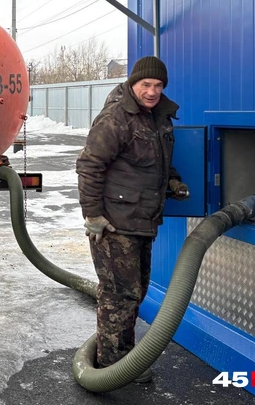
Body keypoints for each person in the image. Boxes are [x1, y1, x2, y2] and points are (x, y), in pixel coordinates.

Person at [76, 55, 188, 383]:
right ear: (133, 84)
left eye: (157, 85)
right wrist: (93, 215)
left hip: (141, 220)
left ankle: (124, 357)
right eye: (146, 85)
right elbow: (89, 166)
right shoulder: (117, 117)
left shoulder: (159, 117)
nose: (152, 91)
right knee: (118, 294)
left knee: (133, 293)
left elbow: (157, 163)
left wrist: (173, 181)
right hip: (114, 222)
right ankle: (113, 368)